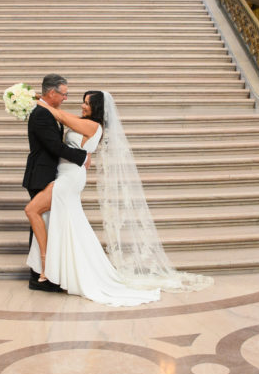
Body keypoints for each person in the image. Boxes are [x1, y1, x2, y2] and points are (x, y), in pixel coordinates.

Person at [25, 91, 211, 306]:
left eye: (86, 104)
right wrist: (42, 98)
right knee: (68, 224)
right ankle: (56, 269)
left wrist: (38, 102)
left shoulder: (94, 127)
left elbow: (61, 117)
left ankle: (48, 266)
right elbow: (61, 113)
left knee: (33, 210)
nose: (82, 106)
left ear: (96, 108)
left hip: (70, 178)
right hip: (66, 174)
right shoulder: (86, 122)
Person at [22, 74, 90, 292]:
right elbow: (54, 146)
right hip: (40, 174)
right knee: (39, 223)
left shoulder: (44, 109)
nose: (65, 98)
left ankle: (44, 273)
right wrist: (82, 157)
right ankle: (38, 276)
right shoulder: (41, 113)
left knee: (45, 223)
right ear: (52, 93)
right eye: (64, 94)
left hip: (46, 172)